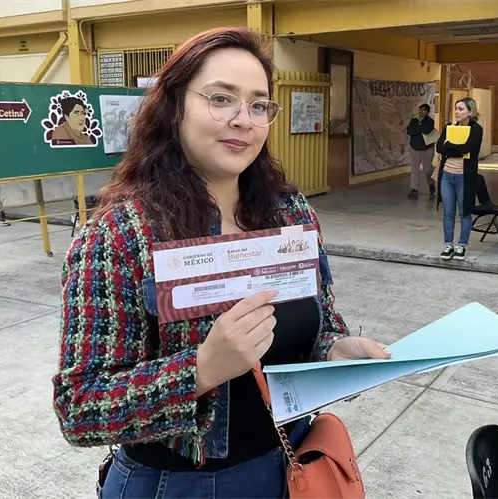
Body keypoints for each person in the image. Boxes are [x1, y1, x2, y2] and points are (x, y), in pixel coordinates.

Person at [51, 27, 389, 499]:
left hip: (293, 463)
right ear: (174, 107)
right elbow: (80, 407)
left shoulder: (290, 215)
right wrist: (202, 368)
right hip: (179, 485)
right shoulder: (122, 235)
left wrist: (335, 351)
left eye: (258, 104)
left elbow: (320, 324)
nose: (243, 120)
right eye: (221, 99)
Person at [435, 97, 483, 261]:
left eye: (461, 109)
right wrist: (452, 149)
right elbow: (439, 147)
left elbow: (469, 148)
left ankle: (461, 245)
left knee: (464, 212)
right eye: (456, 108)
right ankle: (448, 244)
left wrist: (450, 147)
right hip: (447, 175)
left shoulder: (476, 129)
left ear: (470, 111)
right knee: (448, 212)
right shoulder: (449, 127)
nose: (457, 112)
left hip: (464, 176)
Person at [406, 103, 437, 199]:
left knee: (427, 170)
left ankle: (431, 184)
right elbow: (409, 131)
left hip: (427, 149)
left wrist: (417, 129)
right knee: (414, 170)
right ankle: (414, 189)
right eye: (420, 109)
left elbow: (426, 130)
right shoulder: (413, 120)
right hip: (414, 148)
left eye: (423, 110)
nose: (421, 111)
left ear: (427, 112)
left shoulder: (430, 121)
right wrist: (419, 128)